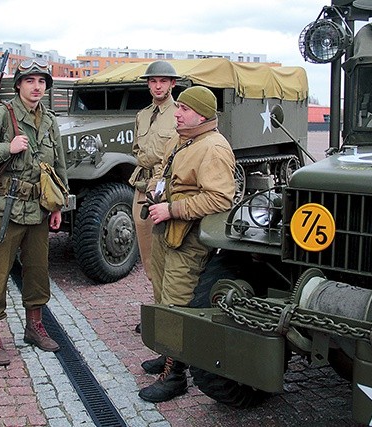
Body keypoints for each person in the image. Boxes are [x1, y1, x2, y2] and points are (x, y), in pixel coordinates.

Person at [0, 59, 68, 366]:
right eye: (30, 81)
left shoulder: (49, 119)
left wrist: (59, 204)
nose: (36, 87)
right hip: (6, 207)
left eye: (41, 82)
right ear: (18, 85)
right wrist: (5, 148)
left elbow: (58, 165)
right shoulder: (2, 114)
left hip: (39, 208)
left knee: (38, 270)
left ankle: (35, 326)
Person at [138, 86, 236, 402]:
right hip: (167, 232)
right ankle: (167, 353)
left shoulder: (214, 148)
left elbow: (221, 197)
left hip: (187, 240)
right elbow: (162, 174)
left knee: (176, 305)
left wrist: (173, 208)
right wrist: (156, 192)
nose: (176, 113)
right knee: (162, 295)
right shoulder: (183, 140)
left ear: (202, 115)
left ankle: (175, 376)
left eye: (183, 108)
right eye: (177, 107)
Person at [128, 60, 179, 334]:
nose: (158, 86)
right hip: (142, 187)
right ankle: (157, 309)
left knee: (166, 255)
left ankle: (167, 314)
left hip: (164, 188)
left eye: (163, 81)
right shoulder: (143, 115)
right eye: (153, 81)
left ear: (173, 84)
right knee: (148, 256)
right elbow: (138, 149)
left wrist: (159, 180)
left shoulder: (180, 114)